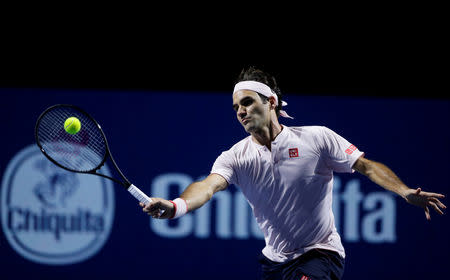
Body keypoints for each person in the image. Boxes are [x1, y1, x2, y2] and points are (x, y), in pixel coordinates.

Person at [140, 66, 446, 280]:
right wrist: (176, 206)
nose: (241, 111)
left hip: (320, 253)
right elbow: (207, 186)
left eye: (247, 102)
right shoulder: (236, 156)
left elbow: (366, 166)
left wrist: (404, 191)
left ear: (271, 101)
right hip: (274, 262)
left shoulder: (317, 138)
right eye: (236, 107)